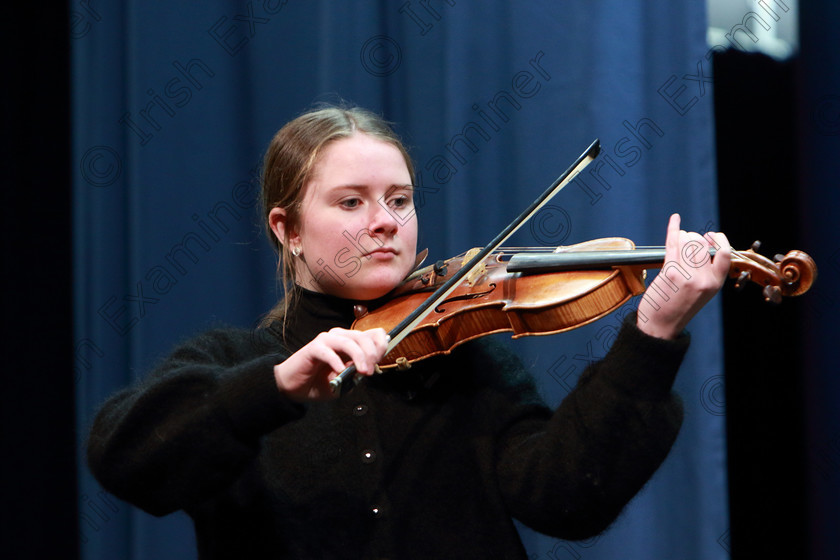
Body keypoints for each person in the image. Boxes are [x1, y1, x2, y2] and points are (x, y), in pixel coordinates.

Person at [87, 106, 731, 559]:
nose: (386, 222)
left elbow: (566, 498)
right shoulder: (236, 361)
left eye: (400, 199)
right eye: (351, 202)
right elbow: (126, 459)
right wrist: (275, 387)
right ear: (286, 230)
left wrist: (653, 334)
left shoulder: (463, 358)